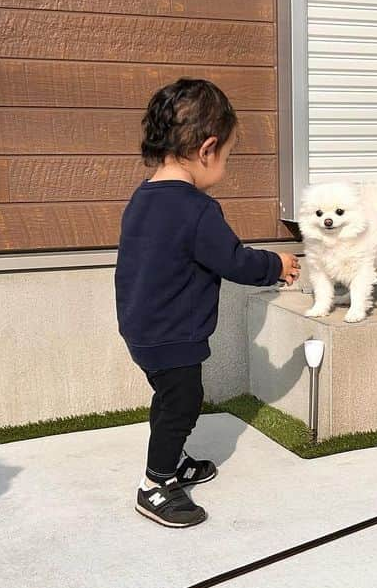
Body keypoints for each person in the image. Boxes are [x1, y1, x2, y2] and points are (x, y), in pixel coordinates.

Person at [115, 79, 300, 528]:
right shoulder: (196, 209)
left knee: (169, 397)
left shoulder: (144, 196)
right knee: (182, 402)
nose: (227, 166)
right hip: (173, 332)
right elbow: (233, 261)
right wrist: (275, 265)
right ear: (207, 148)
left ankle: (173, 462)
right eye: (229, 155)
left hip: (142, 327)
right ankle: (156, 485)